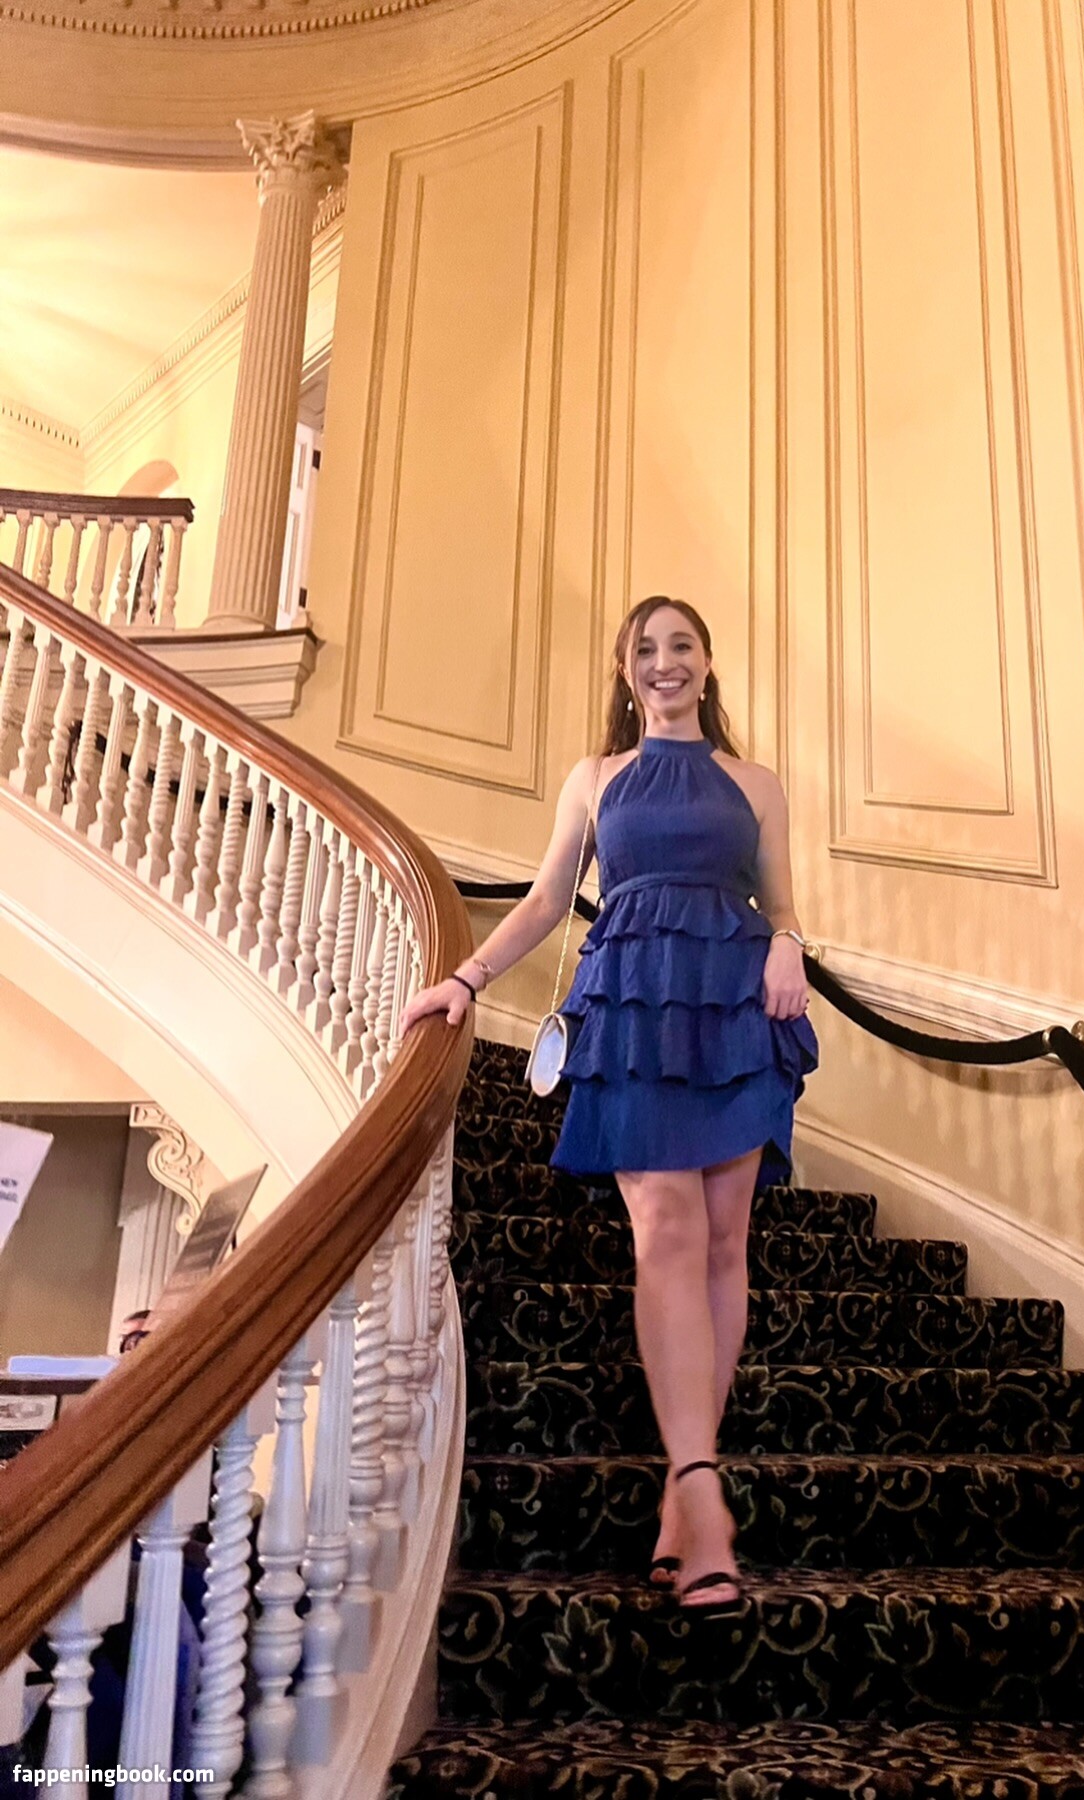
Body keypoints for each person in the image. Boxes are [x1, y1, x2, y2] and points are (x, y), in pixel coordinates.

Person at [400, 595, 819, 1614]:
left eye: (682, 646)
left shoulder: (756, 783)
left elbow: (782, 904)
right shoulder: (595, 778)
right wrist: (465, 980)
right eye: (646, 649)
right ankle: (701, 1490)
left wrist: (788, 943)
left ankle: (685, 1490)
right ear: (626, 673)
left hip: (731, 1004)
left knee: (725, 1243)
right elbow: (548, 901)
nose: (664, 662)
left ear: (708, 664)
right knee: (665, 1229)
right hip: (631, 1002)